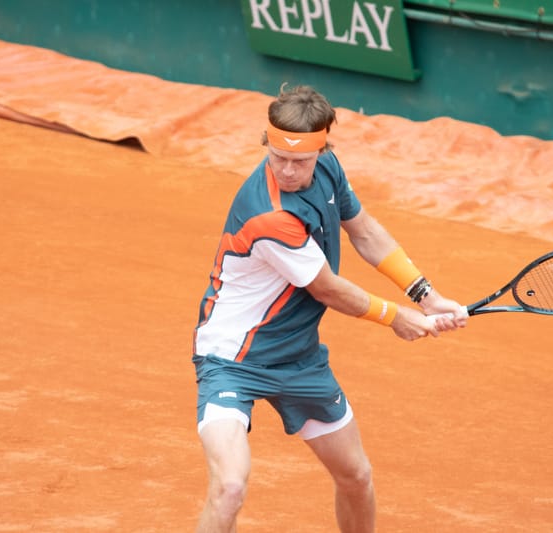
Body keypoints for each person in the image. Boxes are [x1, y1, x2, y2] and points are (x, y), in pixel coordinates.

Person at [192, 84, 467, 533]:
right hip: (231, 360)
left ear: (322, 151)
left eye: (300, 161)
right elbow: (328, 289)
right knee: (230, 487)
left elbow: (365, 232)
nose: (287, 170)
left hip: (298, 359)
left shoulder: (329, 169)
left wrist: (426, 296)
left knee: (356, 476)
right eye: (278, 157)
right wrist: (397, 318)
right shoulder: (268, 214)